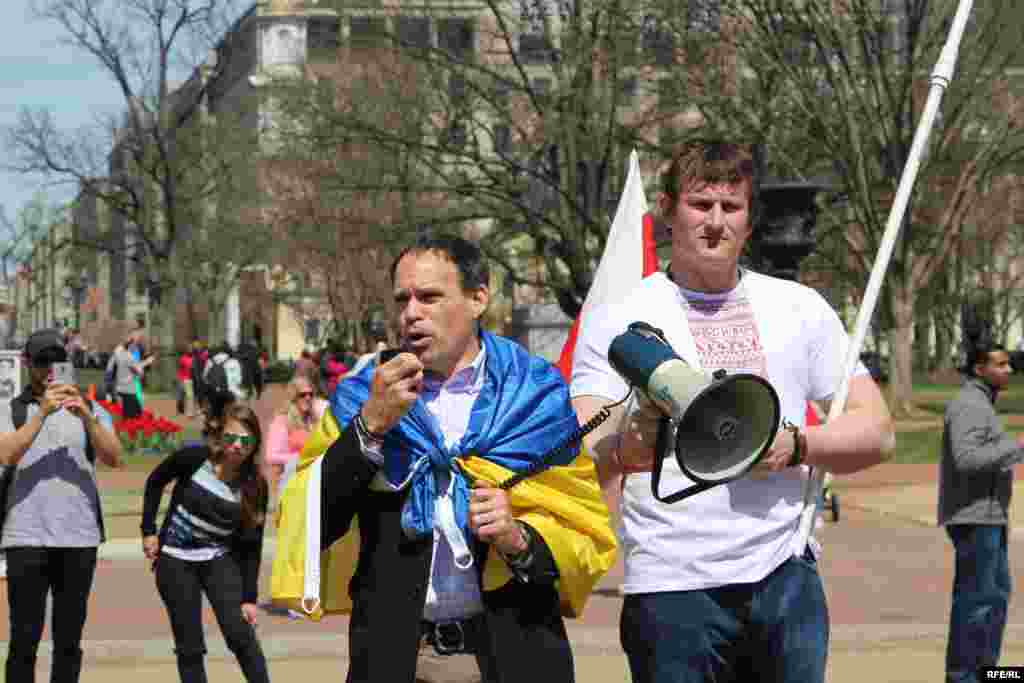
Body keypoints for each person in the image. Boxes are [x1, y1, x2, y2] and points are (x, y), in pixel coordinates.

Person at [570, 141, 895, 683]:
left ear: (748, 221)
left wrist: (798, 445)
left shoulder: (799, 308)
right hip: (672, 586)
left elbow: (878, 433)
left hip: (786, 574)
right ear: (667, 212)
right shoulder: (619, 317)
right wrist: (632, 438)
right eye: (700, 204)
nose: (715, 222)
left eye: (731, 207)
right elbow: (586, 440)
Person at [290, 234, 616, 682]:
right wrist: (369, 428)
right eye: (402, 299)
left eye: (429, 297)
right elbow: (311, 522)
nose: (410, 313)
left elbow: (583, 531)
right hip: (394, 658)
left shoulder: (534, 394)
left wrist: (517, 537)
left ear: (478, 298)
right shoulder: (365, 394)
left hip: (514, 654)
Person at [0, 328, 122, 682]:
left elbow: (114, 457)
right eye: (41, 361)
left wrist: (84, 413)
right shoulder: (12, 408)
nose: (49, 368)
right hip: (26, 536)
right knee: (24, 638)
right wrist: (41, 414)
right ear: (27, 363)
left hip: (78, 538)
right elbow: (6, 454)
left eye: (56, 360)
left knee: (68, 640)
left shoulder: (91, 407)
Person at [141, 403, 271, 683]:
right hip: (175, 560)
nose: (237, 446)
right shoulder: (193, 459)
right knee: (190, 646)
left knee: (240, 634)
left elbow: (252, 546)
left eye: (245, 441)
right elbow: (154, 482)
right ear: (220, 436)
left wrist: (249, 597)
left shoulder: (255, 485)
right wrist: (148, 530)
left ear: (255, 444)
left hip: (217, 559)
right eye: (231, 438)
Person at [938, 342, 1024, 682]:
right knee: (977, 602)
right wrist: (1016, 448)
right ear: (979, 369)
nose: (1009, 370)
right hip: (973, 517)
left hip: (989, 516)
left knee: (994, 598)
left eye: (1008, 364)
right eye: (1000, 365)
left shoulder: (981, 404)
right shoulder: (969, 405)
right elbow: (967, 458)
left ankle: (986, 672)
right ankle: (963, 676)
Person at [263, 371, 326, 502]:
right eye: (302, 395)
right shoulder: (282, 421)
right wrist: (301, 458)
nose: (308, 398)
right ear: (293, 397)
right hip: (291, 485)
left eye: (311, 394)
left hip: (315, 484)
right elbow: (271, 456)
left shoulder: (314, 420)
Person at [108, 331, 153, 418]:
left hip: (121, 386)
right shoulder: (128, 357)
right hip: (128, 388)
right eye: (134, 343)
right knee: (133, 415)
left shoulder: (118, 351)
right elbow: (137, 370)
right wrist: (147, 362)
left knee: (132, 412)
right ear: (131, 345)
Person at [177, 347, 195, 418]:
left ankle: (190, 413)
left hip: (189, 380)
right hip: (182, 379)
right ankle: (180, 409)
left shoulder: (194, 359)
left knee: (190, 396)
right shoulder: (182, 358)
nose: (190, 351)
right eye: (189, 350)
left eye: (191, 350)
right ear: (186, 351)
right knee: (180, 397)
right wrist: (179, 378)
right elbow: (180, 368)